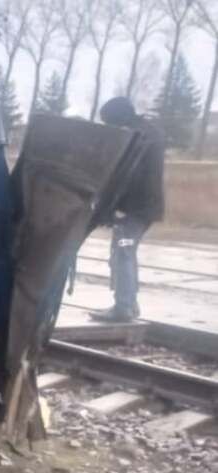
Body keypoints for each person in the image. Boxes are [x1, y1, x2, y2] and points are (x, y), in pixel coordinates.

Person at [90, 97, 165, 323]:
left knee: (123, 254)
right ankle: (128, 304)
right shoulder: (148, 132)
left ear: (118, 116)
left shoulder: (136, 137)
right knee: (124, 253)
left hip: (132, 210)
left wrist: (112, 208)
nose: (110, 128)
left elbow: (128, 177)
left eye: (109, 122)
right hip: (142, 209)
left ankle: (124, 306)